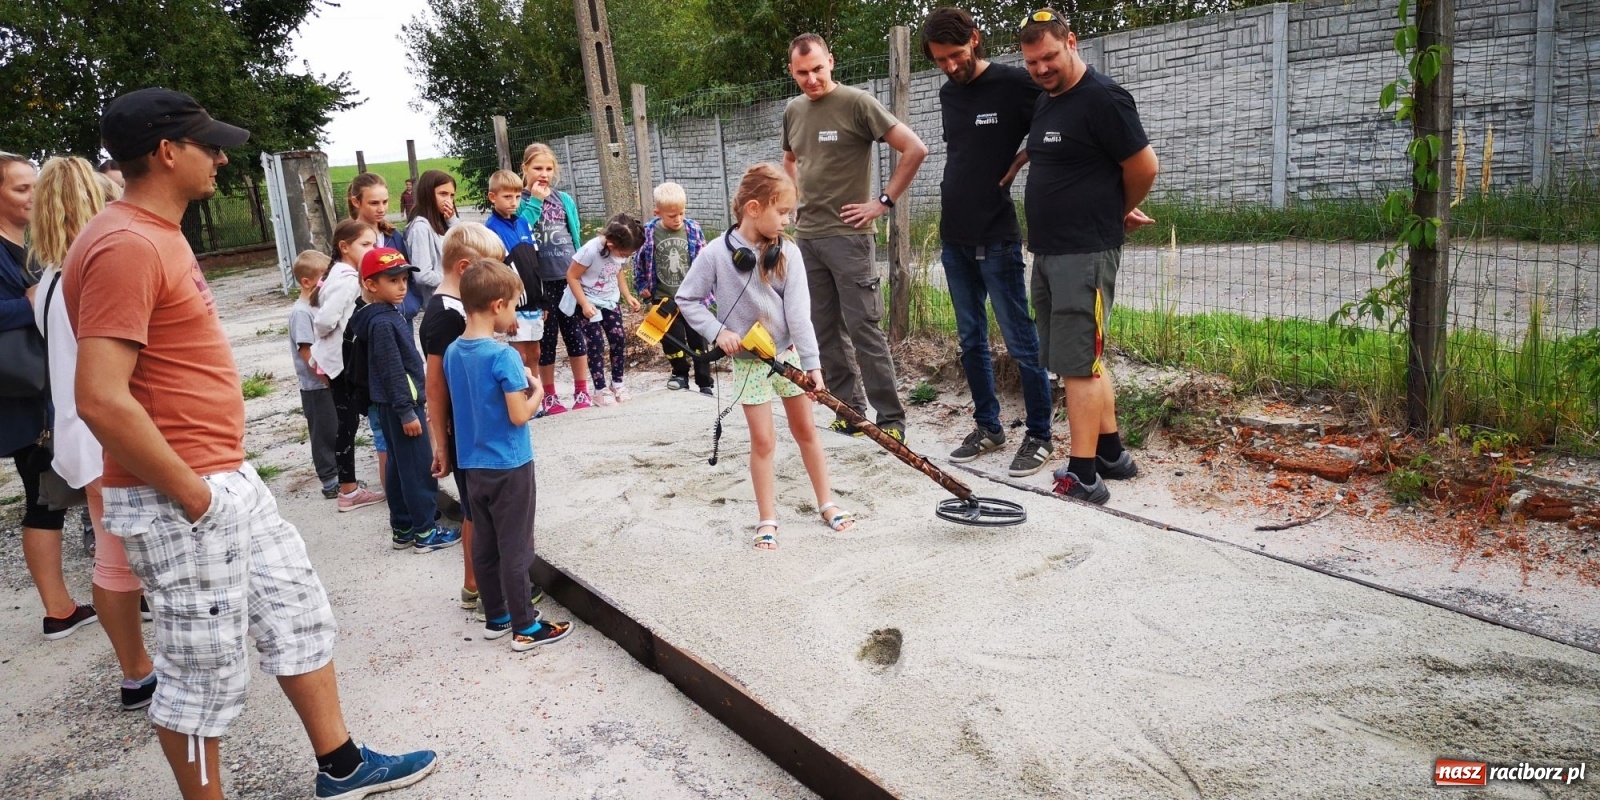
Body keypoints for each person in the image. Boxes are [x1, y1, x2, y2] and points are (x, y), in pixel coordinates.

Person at [67, 86, 436, 800]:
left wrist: (217, 486)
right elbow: (101, 398)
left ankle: (342, 765)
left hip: (223, 479)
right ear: (166, 152)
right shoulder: (124, 243)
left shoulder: (155, 231)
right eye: (208, 146)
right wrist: (194, 495)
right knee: (201, 678)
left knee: (298, 617)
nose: (219, 158)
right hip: (183, 492)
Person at [29, 155, 157, 710]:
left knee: (112, 559)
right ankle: (169, 664)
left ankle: (136, 672)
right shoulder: (99, 272)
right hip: (113, 434)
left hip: (77, 439)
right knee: (154, 553)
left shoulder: (47, 286)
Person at [1019, 9, 1159, 504]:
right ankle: (1110, 454)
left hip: (1084, 251)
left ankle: (1082, 475)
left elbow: (1144, 166)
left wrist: (1116, 209)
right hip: (1053, 251)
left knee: (1078, 364)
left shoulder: (1104, 99)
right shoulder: (1047, 102)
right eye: (1032, 61)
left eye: (1050, 57)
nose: (1041, 68)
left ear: (1072, 42)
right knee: (1083, 357)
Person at [678, 163, 856, 550]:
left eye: (792, 212)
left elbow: (800, 315)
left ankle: (826, 502)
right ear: (754, 208)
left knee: (806, 430)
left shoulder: (788, 252)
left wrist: (813, 366)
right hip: (747, 364)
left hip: (787, 356)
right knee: (763, 441)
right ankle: (767, 518)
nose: (789, 219)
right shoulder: (713, 255)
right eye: (783, 211)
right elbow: (686, 299)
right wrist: (718, 331)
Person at [921, 7, 1056, 477]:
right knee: (971, 340)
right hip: (953, 236)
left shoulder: (1016, 83)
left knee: (1021, 342)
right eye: (941, 60)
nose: (951, 66)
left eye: (956, 55)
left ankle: (1040, 434)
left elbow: (1060, 113)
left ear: (975, 40)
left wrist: (1021, 160)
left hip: (997, 237)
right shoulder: (947, 93)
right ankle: (989, 426)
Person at [782, 32, 928, 443]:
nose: (811, 79)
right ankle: (848, 410)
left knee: (864, 329)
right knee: (823, 329)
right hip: (807, 237)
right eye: (802, 72)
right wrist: (789, 202)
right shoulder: (793, 111)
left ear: (831, 61)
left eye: (817, 69)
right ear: (792, 72)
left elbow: (914, 149)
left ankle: (891, 419)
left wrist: (882, 202)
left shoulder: (858, 102)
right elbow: (790, 159)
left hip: (850, 237)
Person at [444, 259, 574, 650]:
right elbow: (519, 414)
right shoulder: (503, 356)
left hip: (471, 464)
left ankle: (496, 614)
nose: (515, 314)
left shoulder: (453, 351)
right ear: (498, 305)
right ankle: (526, 626)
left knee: (484, 542)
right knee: (516, 545)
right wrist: (536, 390)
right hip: (510, 464)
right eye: (515, 306)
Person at [421, 222, 546, 615]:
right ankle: (512, 607)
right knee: (501, 534)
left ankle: (494, 603)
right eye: (490, 266)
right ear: (465, 268)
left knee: (486, 524)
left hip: (474, 448)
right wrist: (439, 442)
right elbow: (435, 386)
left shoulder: (462, 333)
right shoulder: (448, 319)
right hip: (495, 451)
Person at [0, 151, 94, 640]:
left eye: (35, 187)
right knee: (42, 499)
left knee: (50, 497)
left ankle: (69, 604)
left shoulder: (26, 248)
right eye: (20, 188)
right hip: (21, 398)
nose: (33, 196)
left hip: (40, 390)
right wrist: (26, 304)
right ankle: (58, 609)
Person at [349, 246, 461, 553]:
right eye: (392, 281)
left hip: (391, 405)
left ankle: (403, 527)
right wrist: (406, 412)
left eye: (403, 279)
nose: (402, 286)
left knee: (399, 468)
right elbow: (392, 371)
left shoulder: (378, 314)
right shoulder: (384, 322)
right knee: (418, 469)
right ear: (371, 285)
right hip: (402, 406)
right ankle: (425, 532)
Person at [308, 218, 388, 510]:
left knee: (348, 423)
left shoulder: (339, 274)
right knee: (347, 424)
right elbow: (324, 320)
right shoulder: (345, 279)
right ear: (344, 247)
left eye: (373, 243)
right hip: (342, 362)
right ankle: (349, 490)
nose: (371, 249)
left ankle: (348, 487)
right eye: (365, 244)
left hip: (338, 360)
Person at [516, 142, 590, 414]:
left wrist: (580, 270)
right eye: (537, 168)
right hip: (540, 282)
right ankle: (549, 396)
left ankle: (582, 390)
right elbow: (522, 228)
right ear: (524, 169)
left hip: (566, 277)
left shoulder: (563, 200)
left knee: (574, 334)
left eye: (548, 168)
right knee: (545, 340)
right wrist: (535, 200)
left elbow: (575, 234)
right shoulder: (520, 200)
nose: (543, 174)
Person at [634, 182, 712, 394]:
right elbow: (639, 263)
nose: (678, 218)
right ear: (657, 212)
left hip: (693, 299)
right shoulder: (649, 232)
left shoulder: (693, 229)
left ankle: (704, 381)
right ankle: (679, 373)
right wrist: (642, 286)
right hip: (664, 299)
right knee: (672, 341)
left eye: (681, 213)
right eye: (671, 215)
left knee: (698, 339)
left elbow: (706, 261)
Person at [565, 214, 643, 406]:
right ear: (611, 245)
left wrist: (627, 295)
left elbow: (617, 271)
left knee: (618, 338)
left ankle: (617, 383)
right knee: (596, 344)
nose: (626, 258)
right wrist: (584, 304)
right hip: (587, 301)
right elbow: (572, 276)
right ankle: (599, 390)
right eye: (624, 254)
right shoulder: (590, 251)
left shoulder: (621, 251)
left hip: (609, 299)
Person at [289, 251, 341, 500]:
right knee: (323, 432)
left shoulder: (316, 307)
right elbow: (306, 350)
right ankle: (330, 479)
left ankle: (339, 474)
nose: (327, 283)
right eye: (323, 278)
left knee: (335, 427)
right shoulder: (302, 312)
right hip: (316, 385)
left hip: (327, 381)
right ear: (307, 282)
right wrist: (323, 376)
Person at [482, 169, 544, 372]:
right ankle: (521, 400)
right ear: (493, 197)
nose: (513, 202)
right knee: (520, 356)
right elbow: (495, 273)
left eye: (517, 197)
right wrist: (507, 311)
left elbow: (535, 262)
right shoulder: (490, 229)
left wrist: (543, 301)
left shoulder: (524, 223)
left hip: (534, 304)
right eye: (507, 196)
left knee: (535, 354)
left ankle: (536, 401)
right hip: (514, 308)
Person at [347, 172, 421, 321]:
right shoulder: (349, 239)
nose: (381, 208)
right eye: (374, 203)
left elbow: (409, 274)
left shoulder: (393, 235)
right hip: (368, 318)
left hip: (401, 317)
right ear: (356, 202)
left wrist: (410, 304)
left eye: (385, 202)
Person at [404, 170, 457, 312]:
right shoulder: (420, 228)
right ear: (428, 194)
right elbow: (422, 275)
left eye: (452, 195)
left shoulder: (442, 221)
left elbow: (464, 244)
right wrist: (454, 278)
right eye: (443, 194)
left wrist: (452, 221)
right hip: (439, 303)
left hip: (452, 298)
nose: (448, 201)